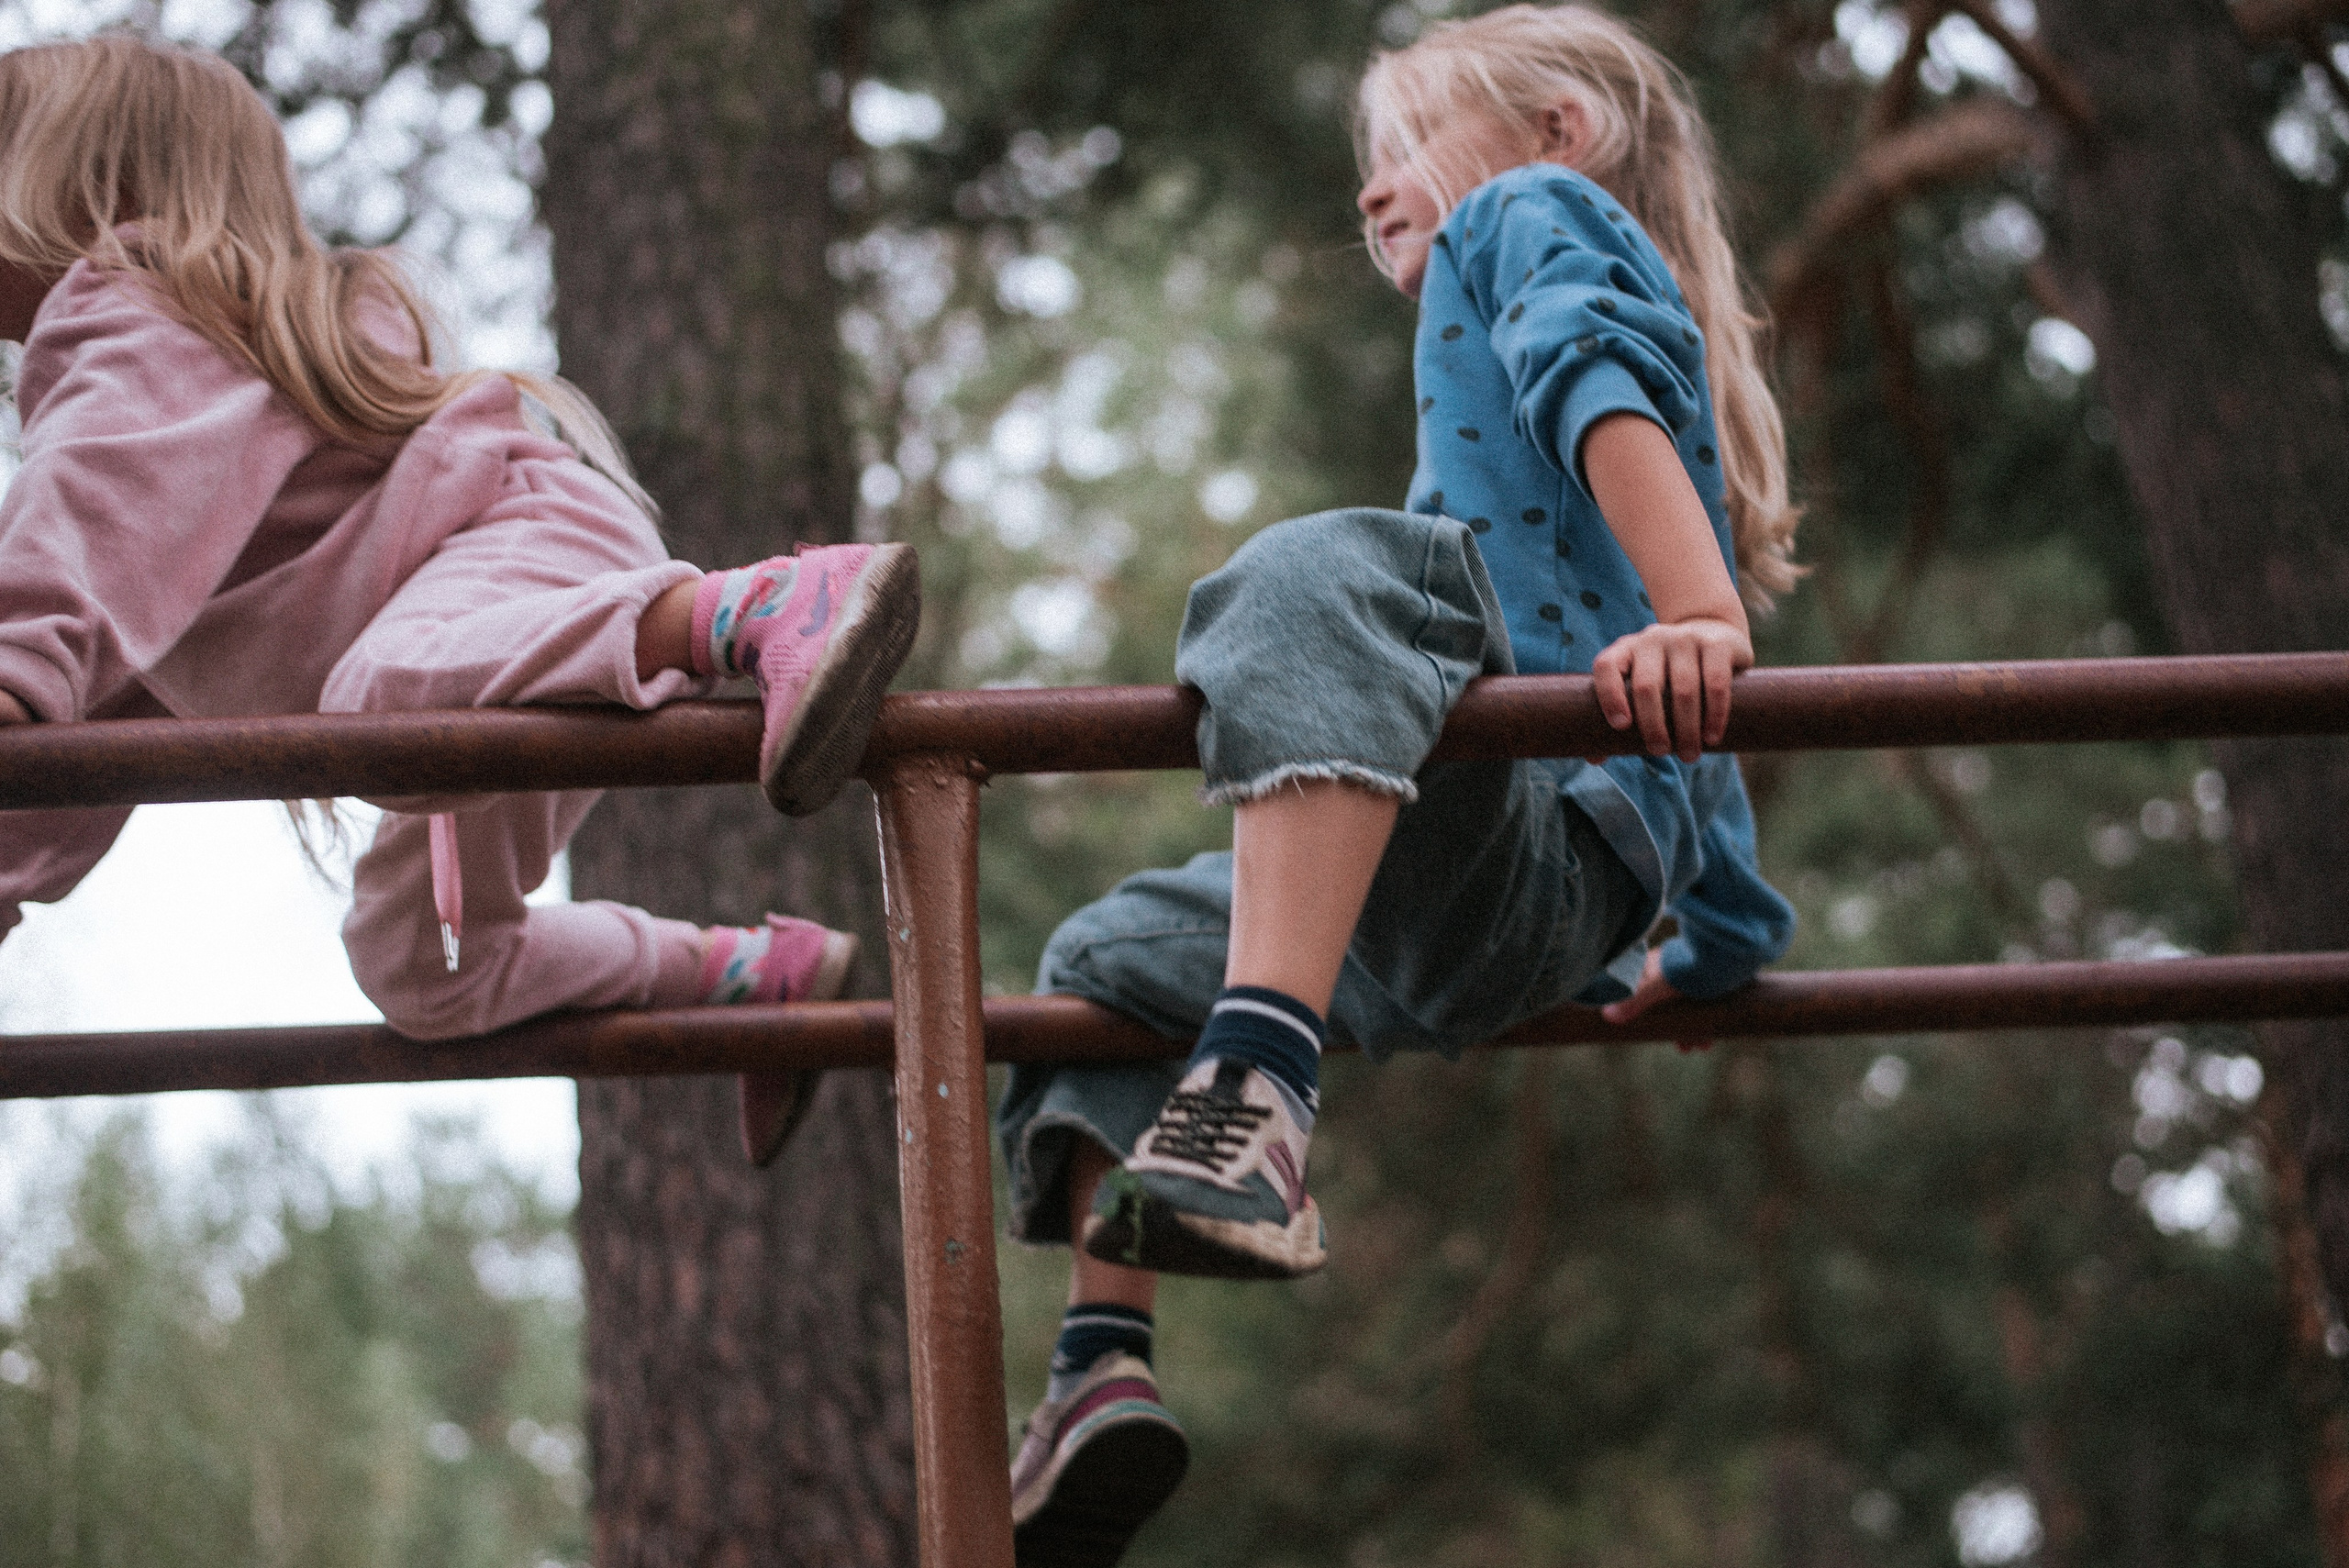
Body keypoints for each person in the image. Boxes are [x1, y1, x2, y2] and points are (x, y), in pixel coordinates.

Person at [998, 6, 1801, 1562]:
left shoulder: (1531, 213)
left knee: (1321, 569)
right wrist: (1725, 941)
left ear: (1560, 130)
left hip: (1532, 854)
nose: (1374, 189)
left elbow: (1589, 372)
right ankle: (1101, 1363)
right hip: (1433, 915)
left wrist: (1704, 611)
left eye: (1412, 141)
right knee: (1101, 958)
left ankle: (1256, 1089)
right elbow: (1700, 767)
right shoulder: (1521, 460)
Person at [0, 34, 919, 1156]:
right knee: (424, 967)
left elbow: (88, 506)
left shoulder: (137, 305)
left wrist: (12, 664)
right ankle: (745, 972)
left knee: (376, 712)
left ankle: (759, 609)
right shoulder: (183, 392)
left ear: (97, 185)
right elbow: (76, 734)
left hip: (513, 561)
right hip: (467, 650)